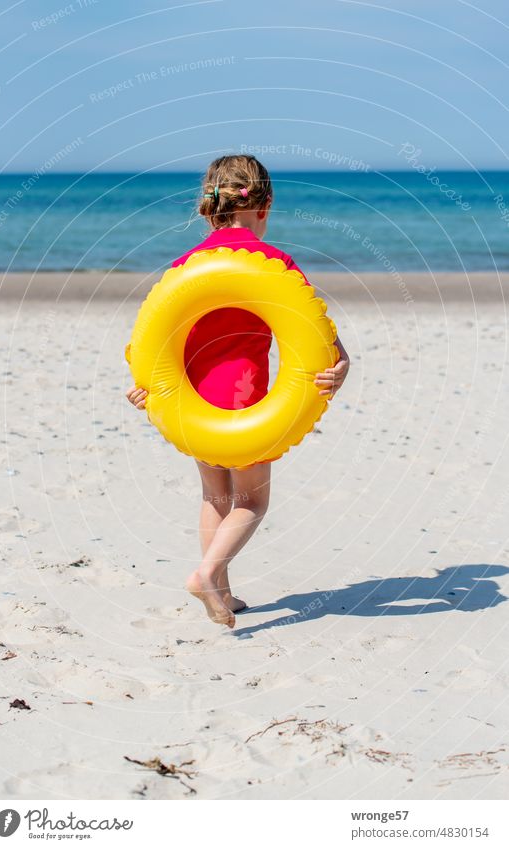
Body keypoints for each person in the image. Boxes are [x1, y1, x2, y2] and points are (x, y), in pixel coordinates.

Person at [126, 155, 350, 628]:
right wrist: (342, 363)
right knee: (251, 500)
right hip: (245, 397)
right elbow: (315, 329)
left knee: (214, 496)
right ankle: (208, 574)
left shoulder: (185, 266)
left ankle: (222, 594)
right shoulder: (274, 264)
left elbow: (153, 339)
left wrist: (148, 389)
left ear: (208, 209)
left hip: (192, 399)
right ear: (265, 207)